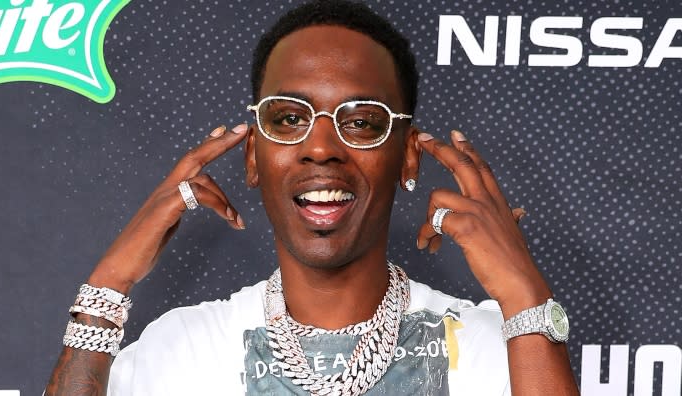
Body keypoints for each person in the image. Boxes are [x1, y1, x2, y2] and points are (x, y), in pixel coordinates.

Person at [45, 1, 579, 395]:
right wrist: (107, 287)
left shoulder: (498, 348)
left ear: (409, 158)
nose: (320, 147)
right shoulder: (184, 347)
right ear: (253, 156)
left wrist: (525, 298)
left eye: (363, 121)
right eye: (289, 118)